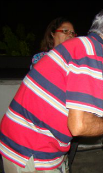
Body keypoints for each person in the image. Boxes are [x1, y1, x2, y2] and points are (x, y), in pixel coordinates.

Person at [0, 6, 103, 173]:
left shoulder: (88, 50)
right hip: (30, 150)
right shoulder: (90, 53)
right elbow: (79, 125)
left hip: (37, 146)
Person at [31, 17, 78, 173]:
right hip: (41, 131)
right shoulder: (41, 59)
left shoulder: (75, 63)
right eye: (65, 31)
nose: (70, 35)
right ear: (52, 34)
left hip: (66, 128)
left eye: (73, 33)